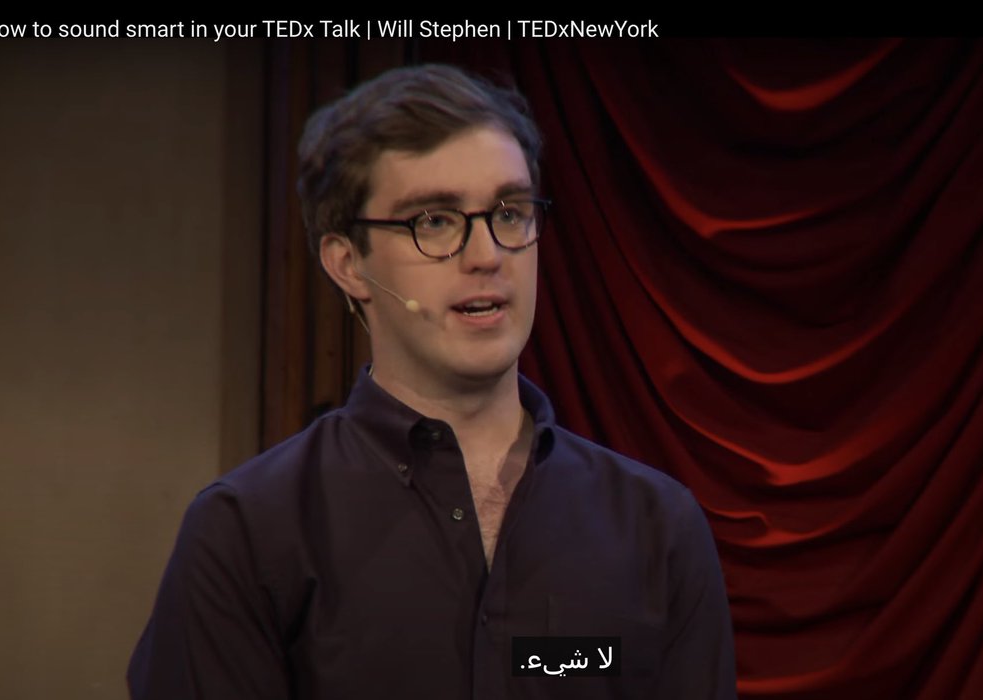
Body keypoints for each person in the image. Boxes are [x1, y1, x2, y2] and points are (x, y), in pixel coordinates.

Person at [128, 63, 737, 699]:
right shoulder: (246, 532)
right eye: (435, 222)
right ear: (348, 264)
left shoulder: (658, 527)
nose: (487, 256)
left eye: (510, 212)